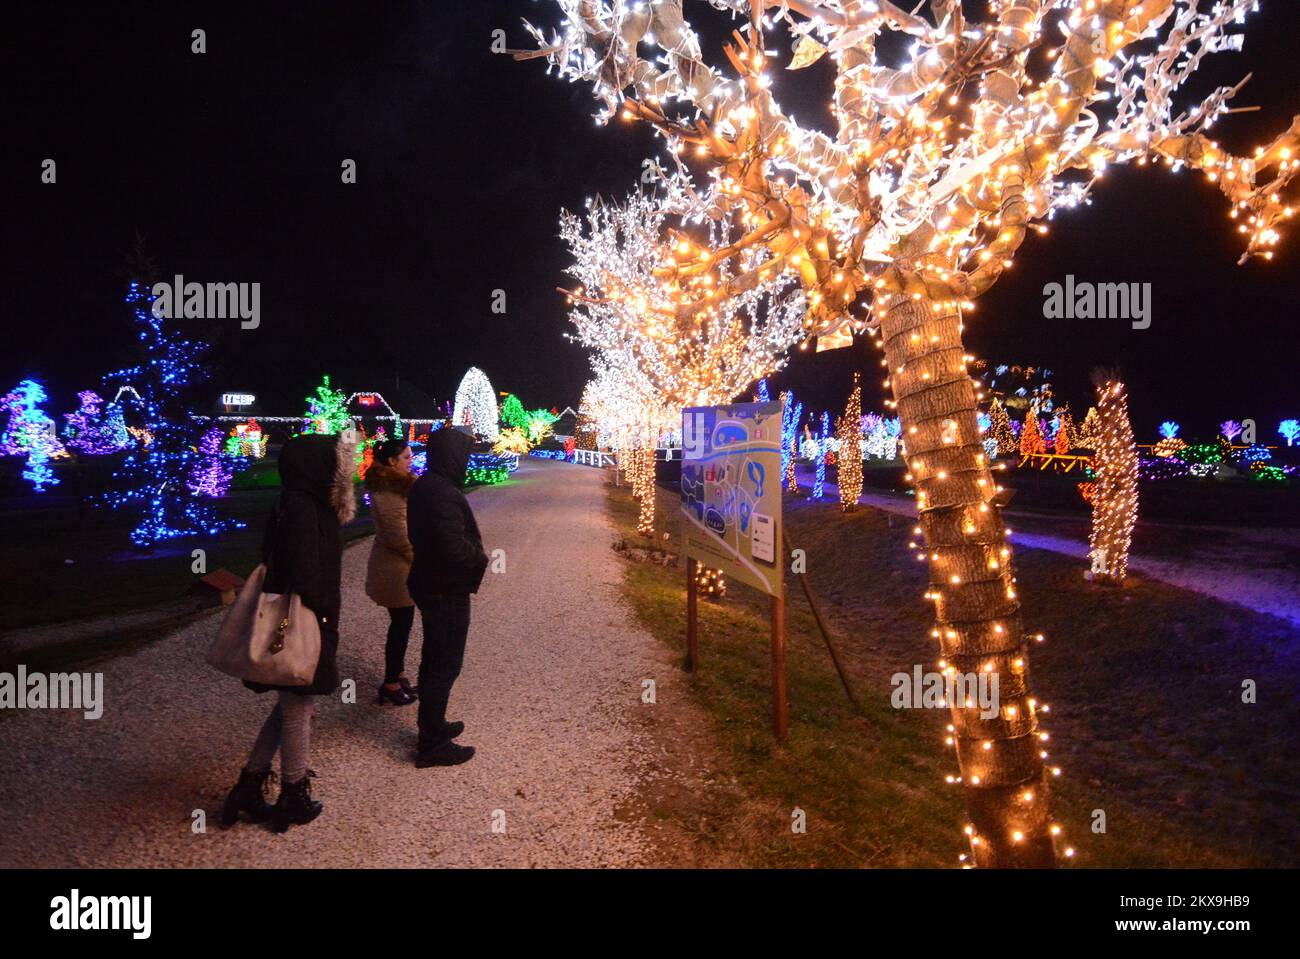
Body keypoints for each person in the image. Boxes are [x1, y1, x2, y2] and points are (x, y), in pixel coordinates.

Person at [222, 431, 357, 831]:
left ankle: (249, 784)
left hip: (300, 615)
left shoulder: (297, 502)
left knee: (291, 704)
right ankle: (293, 793)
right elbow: (304, 571)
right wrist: (325, 610)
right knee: (299, 705)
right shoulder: (303, 507)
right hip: (302, 619)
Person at [406, 428, 488, 768]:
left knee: (434, 660)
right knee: (444, 663)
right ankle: (432, 743)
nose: (467, 460)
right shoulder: (441, 493)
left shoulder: (428, 485)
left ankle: (433, 724)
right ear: (452, 455)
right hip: (444, 589)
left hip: (433, 585)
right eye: (464, 453)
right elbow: (450, 546)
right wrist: (479, 558)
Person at [364, 438, 419, 706]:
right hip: (395, 569)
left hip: (398, 566)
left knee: (403, 623)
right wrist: (418, 558)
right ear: (391, 461)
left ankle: (398, 674)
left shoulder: (398, 484)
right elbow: (397, 535)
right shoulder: (388, 489)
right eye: (407, 457)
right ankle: (391, 683)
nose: (412, 461)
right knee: (400, 624)